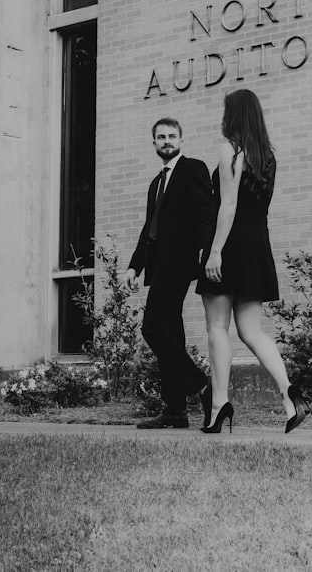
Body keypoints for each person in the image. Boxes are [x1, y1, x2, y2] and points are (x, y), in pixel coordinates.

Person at [196, 89, 307, 434]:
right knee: (252, 330)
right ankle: (290, 395)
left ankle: (218, 405)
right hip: (258, 243)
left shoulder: (230, 149)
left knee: (217, 327)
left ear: (235, 115)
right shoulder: (267, 156)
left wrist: (214, 251)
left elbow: (227, 206)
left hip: (230, 243)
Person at [127, 117, 214, 429]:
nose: (166, 141)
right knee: (171, 333)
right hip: (158, 264)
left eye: (172, 136)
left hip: (179, 262)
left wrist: (206, 247)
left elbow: (206, 210)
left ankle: (202, 385)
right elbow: (149, 228)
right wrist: (135, 265)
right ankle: (175, 409)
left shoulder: (194, 168)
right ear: (154, 144)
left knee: (152, 328)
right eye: (161, 137)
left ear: (181, 140)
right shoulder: (155, 183)